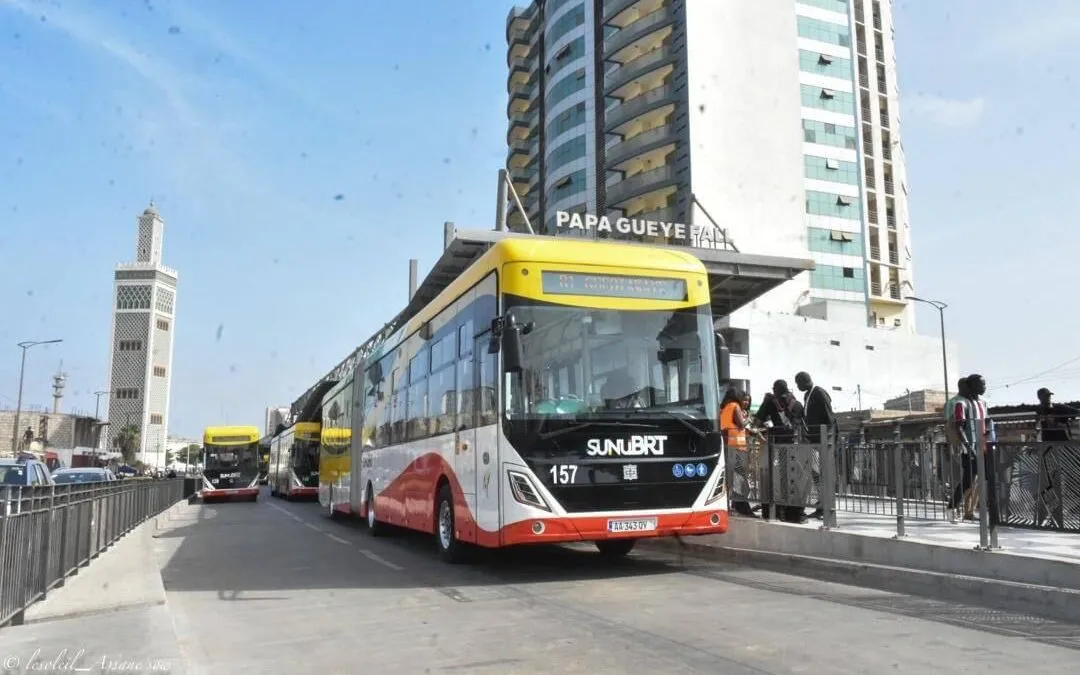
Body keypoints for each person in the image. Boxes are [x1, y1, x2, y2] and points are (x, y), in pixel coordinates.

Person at [795, 372, 835, 519]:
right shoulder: (807, 395)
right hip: (812, 440)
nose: (797, 386)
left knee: (823, 474)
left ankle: (827, 507)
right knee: (816, 473)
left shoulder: (819, 393)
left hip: (823, 440)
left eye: (798, 383)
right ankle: (821, 505)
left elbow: (829, 418)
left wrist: (828, 440)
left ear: (805, 381)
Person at [720, 387, 756, 517]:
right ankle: (741, 506)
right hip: (737, 447)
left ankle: (732, 505)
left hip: (727, 446)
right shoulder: (735, 406)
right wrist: (749, 419)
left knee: (730, 478)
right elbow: (741, 424)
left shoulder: (723, 408)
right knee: (740, 478)